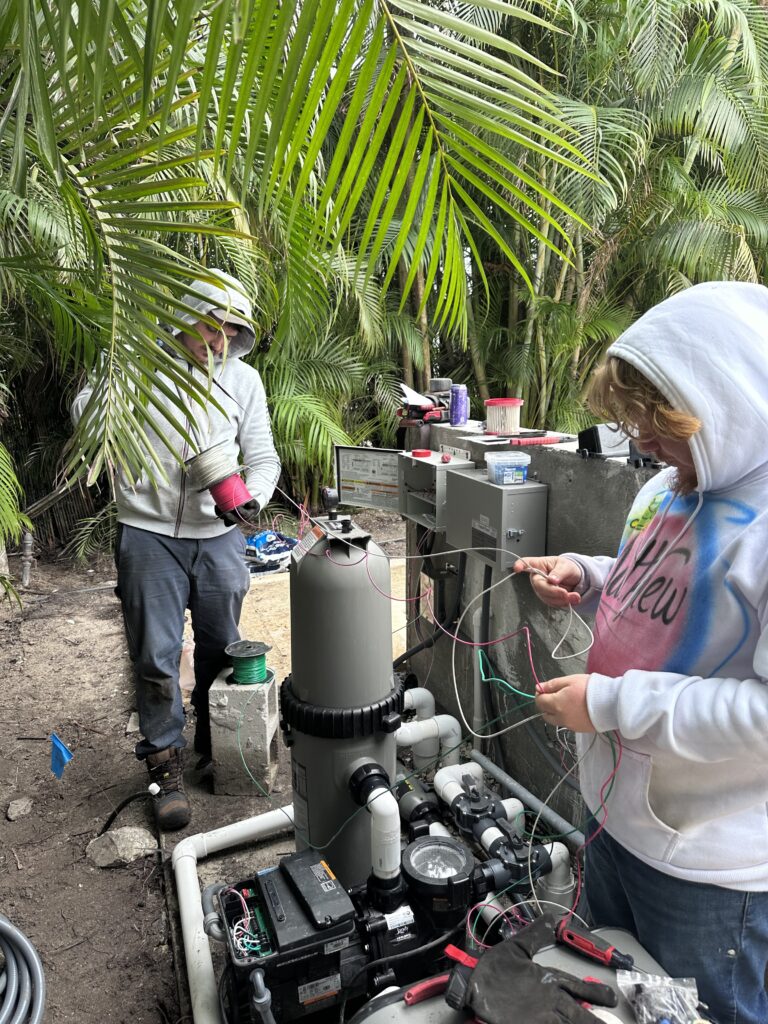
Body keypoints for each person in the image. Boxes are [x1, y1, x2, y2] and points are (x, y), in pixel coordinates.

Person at [514, 281, 768, 1024]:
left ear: (732, 404)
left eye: (660, 424)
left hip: (707, 869)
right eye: (632, 422)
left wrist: (610, 703)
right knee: (619, 1004)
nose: (643, 441)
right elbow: (657, 591)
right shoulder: (667, 487)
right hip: (612, 817)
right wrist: (591, 577)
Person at [71, 270, 280, 830]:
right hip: (147, 533)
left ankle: (216, 747)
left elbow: (263, 459)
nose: (219, 341)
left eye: (231, 330)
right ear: (186, 317)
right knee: (155, 657)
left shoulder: (244, 381)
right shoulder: (137, 366)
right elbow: (86, 417)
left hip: (219, 540)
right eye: (212, 326)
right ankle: (164, 764)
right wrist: (120, 389)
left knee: (221, 650)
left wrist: (248, 500)